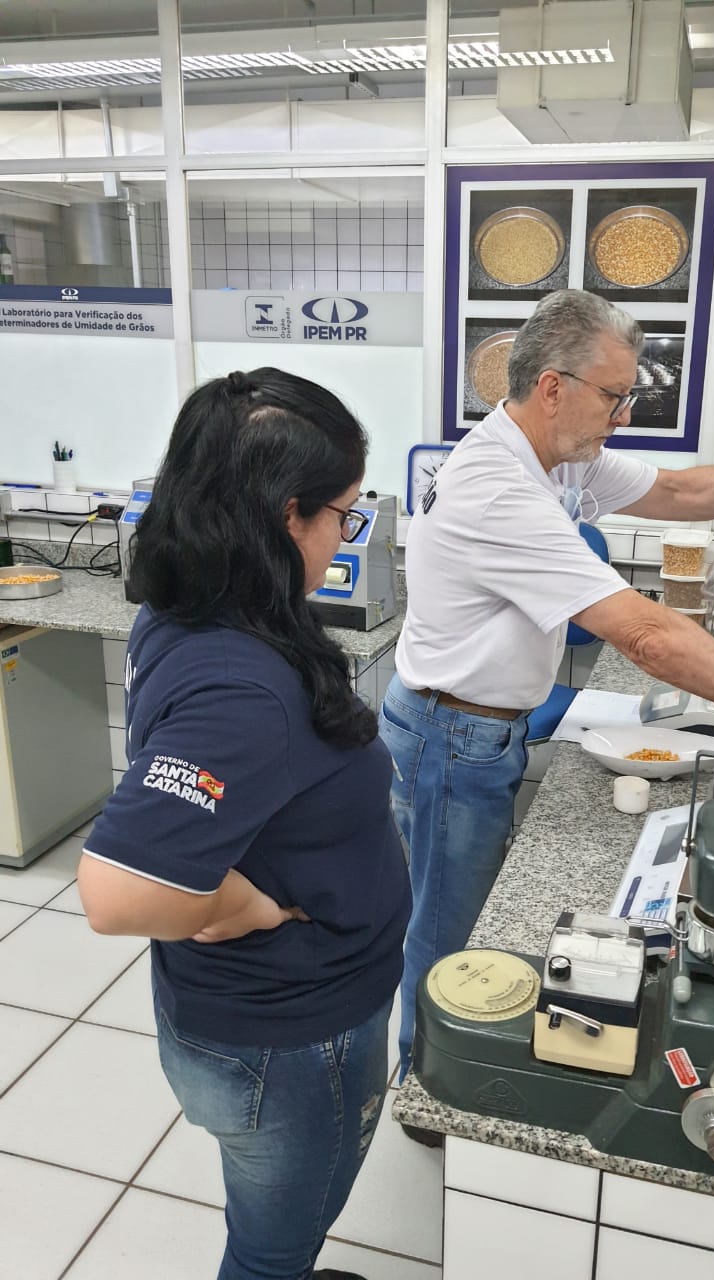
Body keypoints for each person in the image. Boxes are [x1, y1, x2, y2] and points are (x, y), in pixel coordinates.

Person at [381, 288, 714, 1084]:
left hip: (477, 726)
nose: (623, 415)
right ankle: (427, 1080)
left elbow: (682, 493)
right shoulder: (496, 485)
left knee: (451, 907)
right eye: (614, 396)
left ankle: (434, 1061)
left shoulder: (555, 456)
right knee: (446, 925)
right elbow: (645, 635)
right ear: (553, 387)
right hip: (450, 735)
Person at [78, 368, 411, 1280]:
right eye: (345, 514)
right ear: (286, 515)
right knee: (273, 1245)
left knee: (273, 1212)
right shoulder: (240, 688)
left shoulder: (194, 604)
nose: (348, 533)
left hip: (248, 1021)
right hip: (289, 1037)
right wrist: (245, 907)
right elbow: (113, 893)